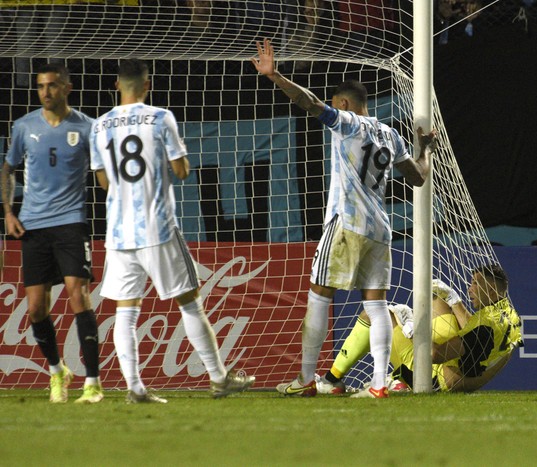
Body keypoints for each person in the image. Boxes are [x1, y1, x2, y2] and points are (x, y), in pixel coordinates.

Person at [251, 38, 435, 398]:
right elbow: (417, 177)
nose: (333, 111)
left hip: (346, 222)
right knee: (377, 304)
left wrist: (276, 77)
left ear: (346, 104)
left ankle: (306, 380)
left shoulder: (349, 123)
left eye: (337, 105)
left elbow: (310, 103)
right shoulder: (392, 135)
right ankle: (379, 384)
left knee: (319, 296)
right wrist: (424, 149)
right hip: (380, 229)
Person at [89, 59, 255, 403]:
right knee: (190, 302)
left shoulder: (99, 126)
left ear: (117, 85)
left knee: (126, 310)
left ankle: (135, 388)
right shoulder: (161, 117)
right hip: (158, 228)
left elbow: (103, 180)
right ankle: (218, 378)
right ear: (147, 85)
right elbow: (181, 170)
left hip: (119, 233)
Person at [1, 63, 103, 404]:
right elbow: (8, 169)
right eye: (41, 86)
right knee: (35, 309)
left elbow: (102, 173)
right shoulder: (24, 126)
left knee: (79, 296)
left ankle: (93, 382)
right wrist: (8, 212)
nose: (46, 92)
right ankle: (58, 371)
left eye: (53, 85)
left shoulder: (87, 127)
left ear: (67, 88)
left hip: (71, 222)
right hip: (32, 225)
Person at [317, 266, 522, 393]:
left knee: (375, 315)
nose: (470, 288)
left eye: (476, 284)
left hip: (430, 379)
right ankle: (397, 379)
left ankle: (332, 381)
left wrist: (413, 331)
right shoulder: (508, 315)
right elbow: (475, 335)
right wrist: (454, 300)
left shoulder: (483, 328)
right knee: (439, 299)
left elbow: (433, 354)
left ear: (492, 288)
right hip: (457, 372)